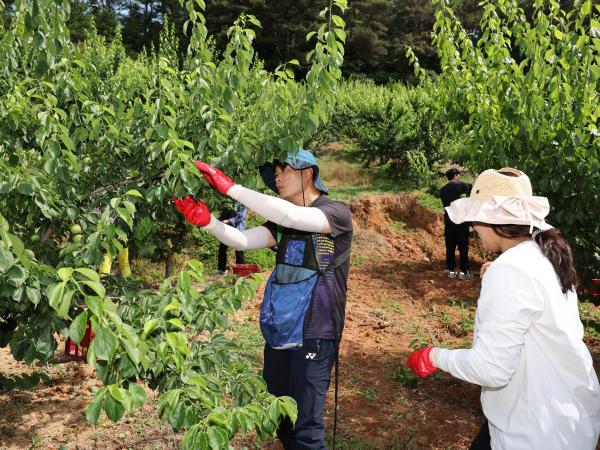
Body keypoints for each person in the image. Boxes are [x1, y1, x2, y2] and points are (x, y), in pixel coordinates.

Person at [406, 168, 600, 450]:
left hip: (535, 430)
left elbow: (491, 369)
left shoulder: (512, 269)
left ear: (493, 220)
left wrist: (434, 356)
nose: (471, 227)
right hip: (566, 413)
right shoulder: (541, 255)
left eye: (474, 219)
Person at [173, 149, 353, 449]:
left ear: (308, 173)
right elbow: (244, 240)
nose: (278, 176)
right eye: (276, 172)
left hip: (315, 332)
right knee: (280, 416)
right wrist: (208, 223)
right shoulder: (282, 225)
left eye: (284, 169)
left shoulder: (334, 213)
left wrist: (233, 189)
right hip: (281, 330)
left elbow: (291, 214)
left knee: (306, 425)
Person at [440, 168, 472, 279]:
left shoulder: (442, 190)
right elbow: (472, 188)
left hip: (448, 221)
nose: (459, 177)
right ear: (456, 176)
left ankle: (451, 271)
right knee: (463, 246)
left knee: (450, 246)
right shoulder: (459, 185)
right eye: (459, 175)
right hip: (460, 220)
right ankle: (464, 272)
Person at [215, 201, 248, 275]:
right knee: (222, 249)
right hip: (226, 230)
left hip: (238, 230)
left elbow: (241, 216)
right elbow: (223, 215)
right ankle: (222, 270)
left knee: (239, 251)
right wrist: (216, 221)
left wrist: (229, 221)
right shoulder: (228, 202)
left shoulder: (242, 203)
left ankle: (240, 272)